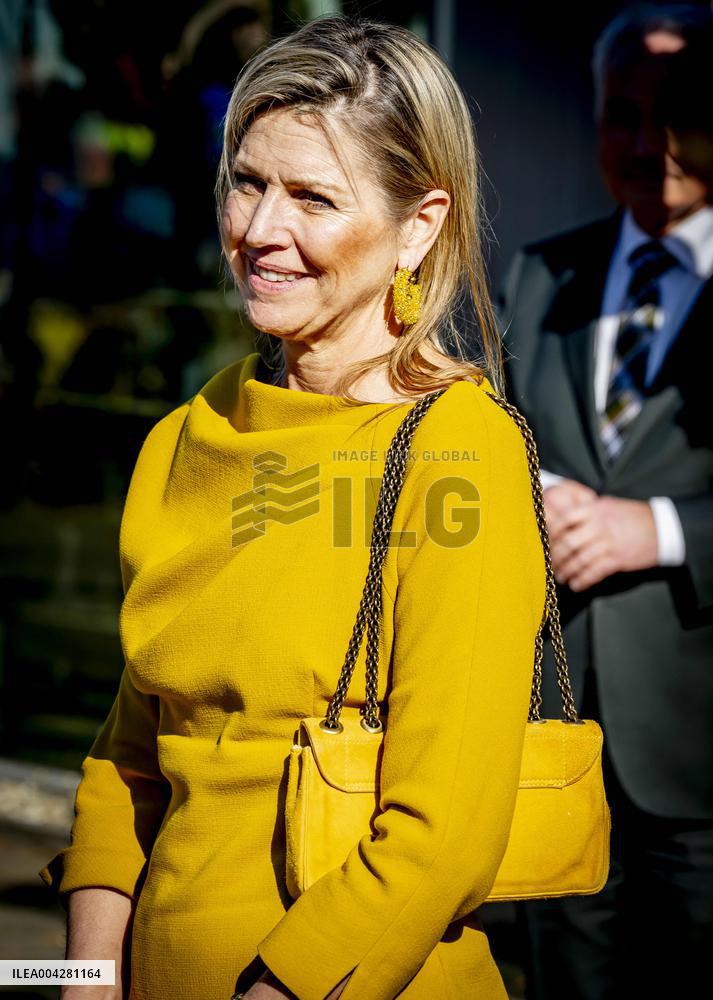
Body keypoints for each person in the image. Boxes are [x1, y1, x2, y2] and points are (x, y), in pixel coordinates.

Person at [39, 16, 546, 1000]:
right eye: (247, 180)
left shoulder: (459, 456)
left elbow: (440, 836)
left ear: (420, 224)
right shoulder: (183, 438)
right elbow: (128, 763)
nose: (260, 230)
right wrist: (78, 975)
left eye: (313, 197)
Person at [498, 5, 713, 998]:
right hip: (549, 743)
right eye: (618, 114)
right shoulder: (539, 276)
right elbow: (487, 437)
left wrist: (656, 529)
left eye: (677, 111)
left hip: (698, 765)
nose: (645, 142)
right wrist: (522, 487)